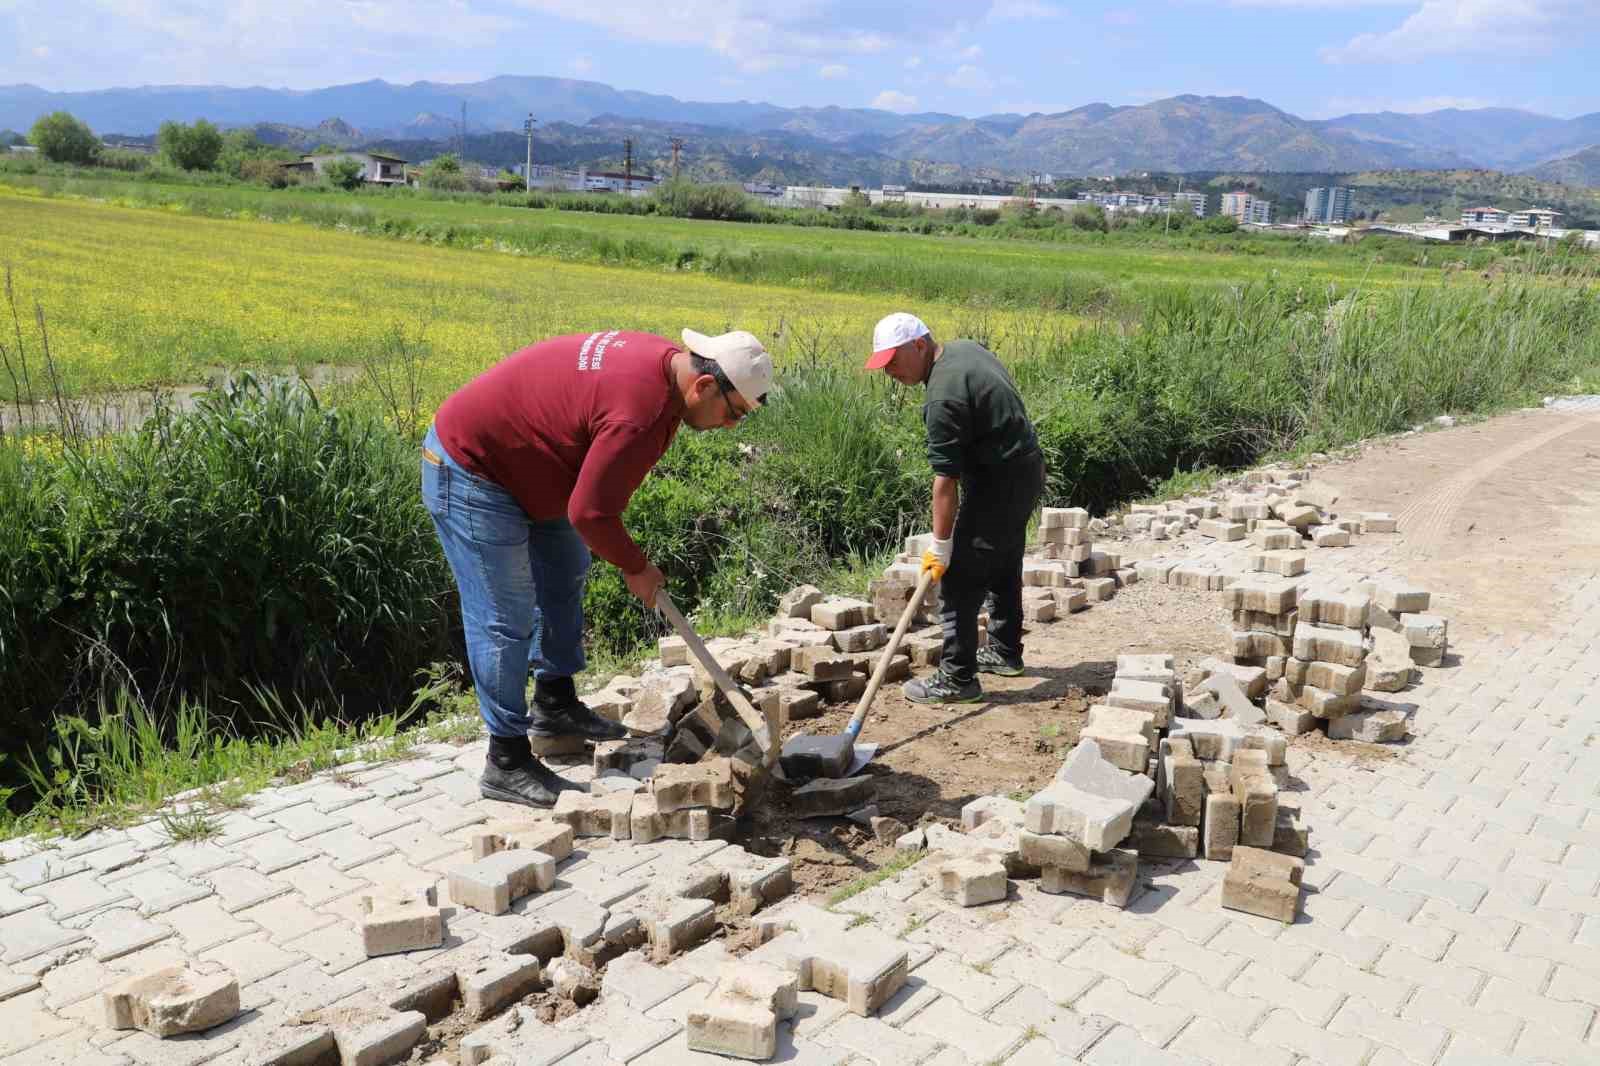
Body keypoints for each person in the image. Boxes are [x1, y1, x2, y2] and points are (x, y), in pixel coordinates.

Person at [422, 328, 772, 807]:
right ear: (705, 386)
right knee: (505, 617)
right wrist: (636, 566)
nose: (731, 426)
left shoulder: (666, 370)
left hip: (536, 466)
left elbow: (588, 504)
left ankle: (554, 705)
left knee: (566, 570)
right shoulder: (641, 411)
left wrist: (627, 557)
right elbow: (590, 513)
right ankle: (505, 761)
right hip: (473, 468)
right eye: (732, 414)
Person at [865, 312, 1043, 704]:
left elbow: (946, 481)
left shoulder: (943, 396)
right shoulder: (964, 350)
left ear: (919, 345)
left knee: (961, 576)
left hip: (1000, 482)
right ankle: (1005, 651)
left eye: (894, 361)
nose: (889, 372)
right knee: (1003, 560)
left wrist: (941, 546)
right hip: (1025, 469)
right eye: (883, 365)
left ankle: (958, 678)